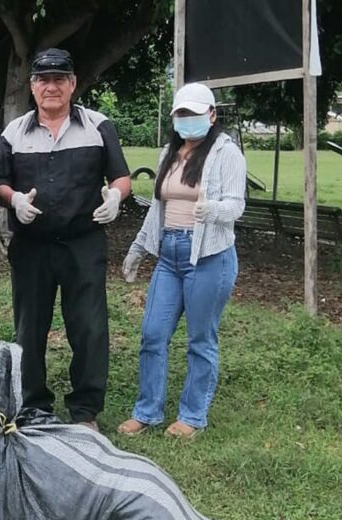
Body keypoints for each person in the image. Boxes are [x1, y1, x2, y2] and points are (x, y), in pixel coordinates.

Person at [0, 48, 131, 430]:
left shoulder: (98, 126)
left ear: (72, 84)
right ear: (33, 87)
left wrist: (117, 197)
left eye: (59, 79)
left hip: (82, 241)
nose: (51, 87)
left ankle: (85, 411)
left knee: (88, 325)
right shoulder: (14, 132)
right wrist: (14, 199)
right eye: (43, 80)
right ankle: (34, 405)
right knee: (29, 326)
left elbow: (120, 176)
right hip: (32, 245)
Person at [117, 82, 245, 438]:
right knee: (152, 334)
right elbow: (158, 207)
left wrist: (211, 210)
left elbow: (237, 206)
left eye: (194, 113)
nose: (187, 121)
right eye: (181, 114)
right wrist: (139, 248)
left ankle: (192, 416)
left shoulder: (226, 153)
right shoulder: (169, 153)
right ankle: (147, 411)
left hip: (209, 256)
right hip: (169, 255)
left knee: (200, 340)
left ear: (212, 115)